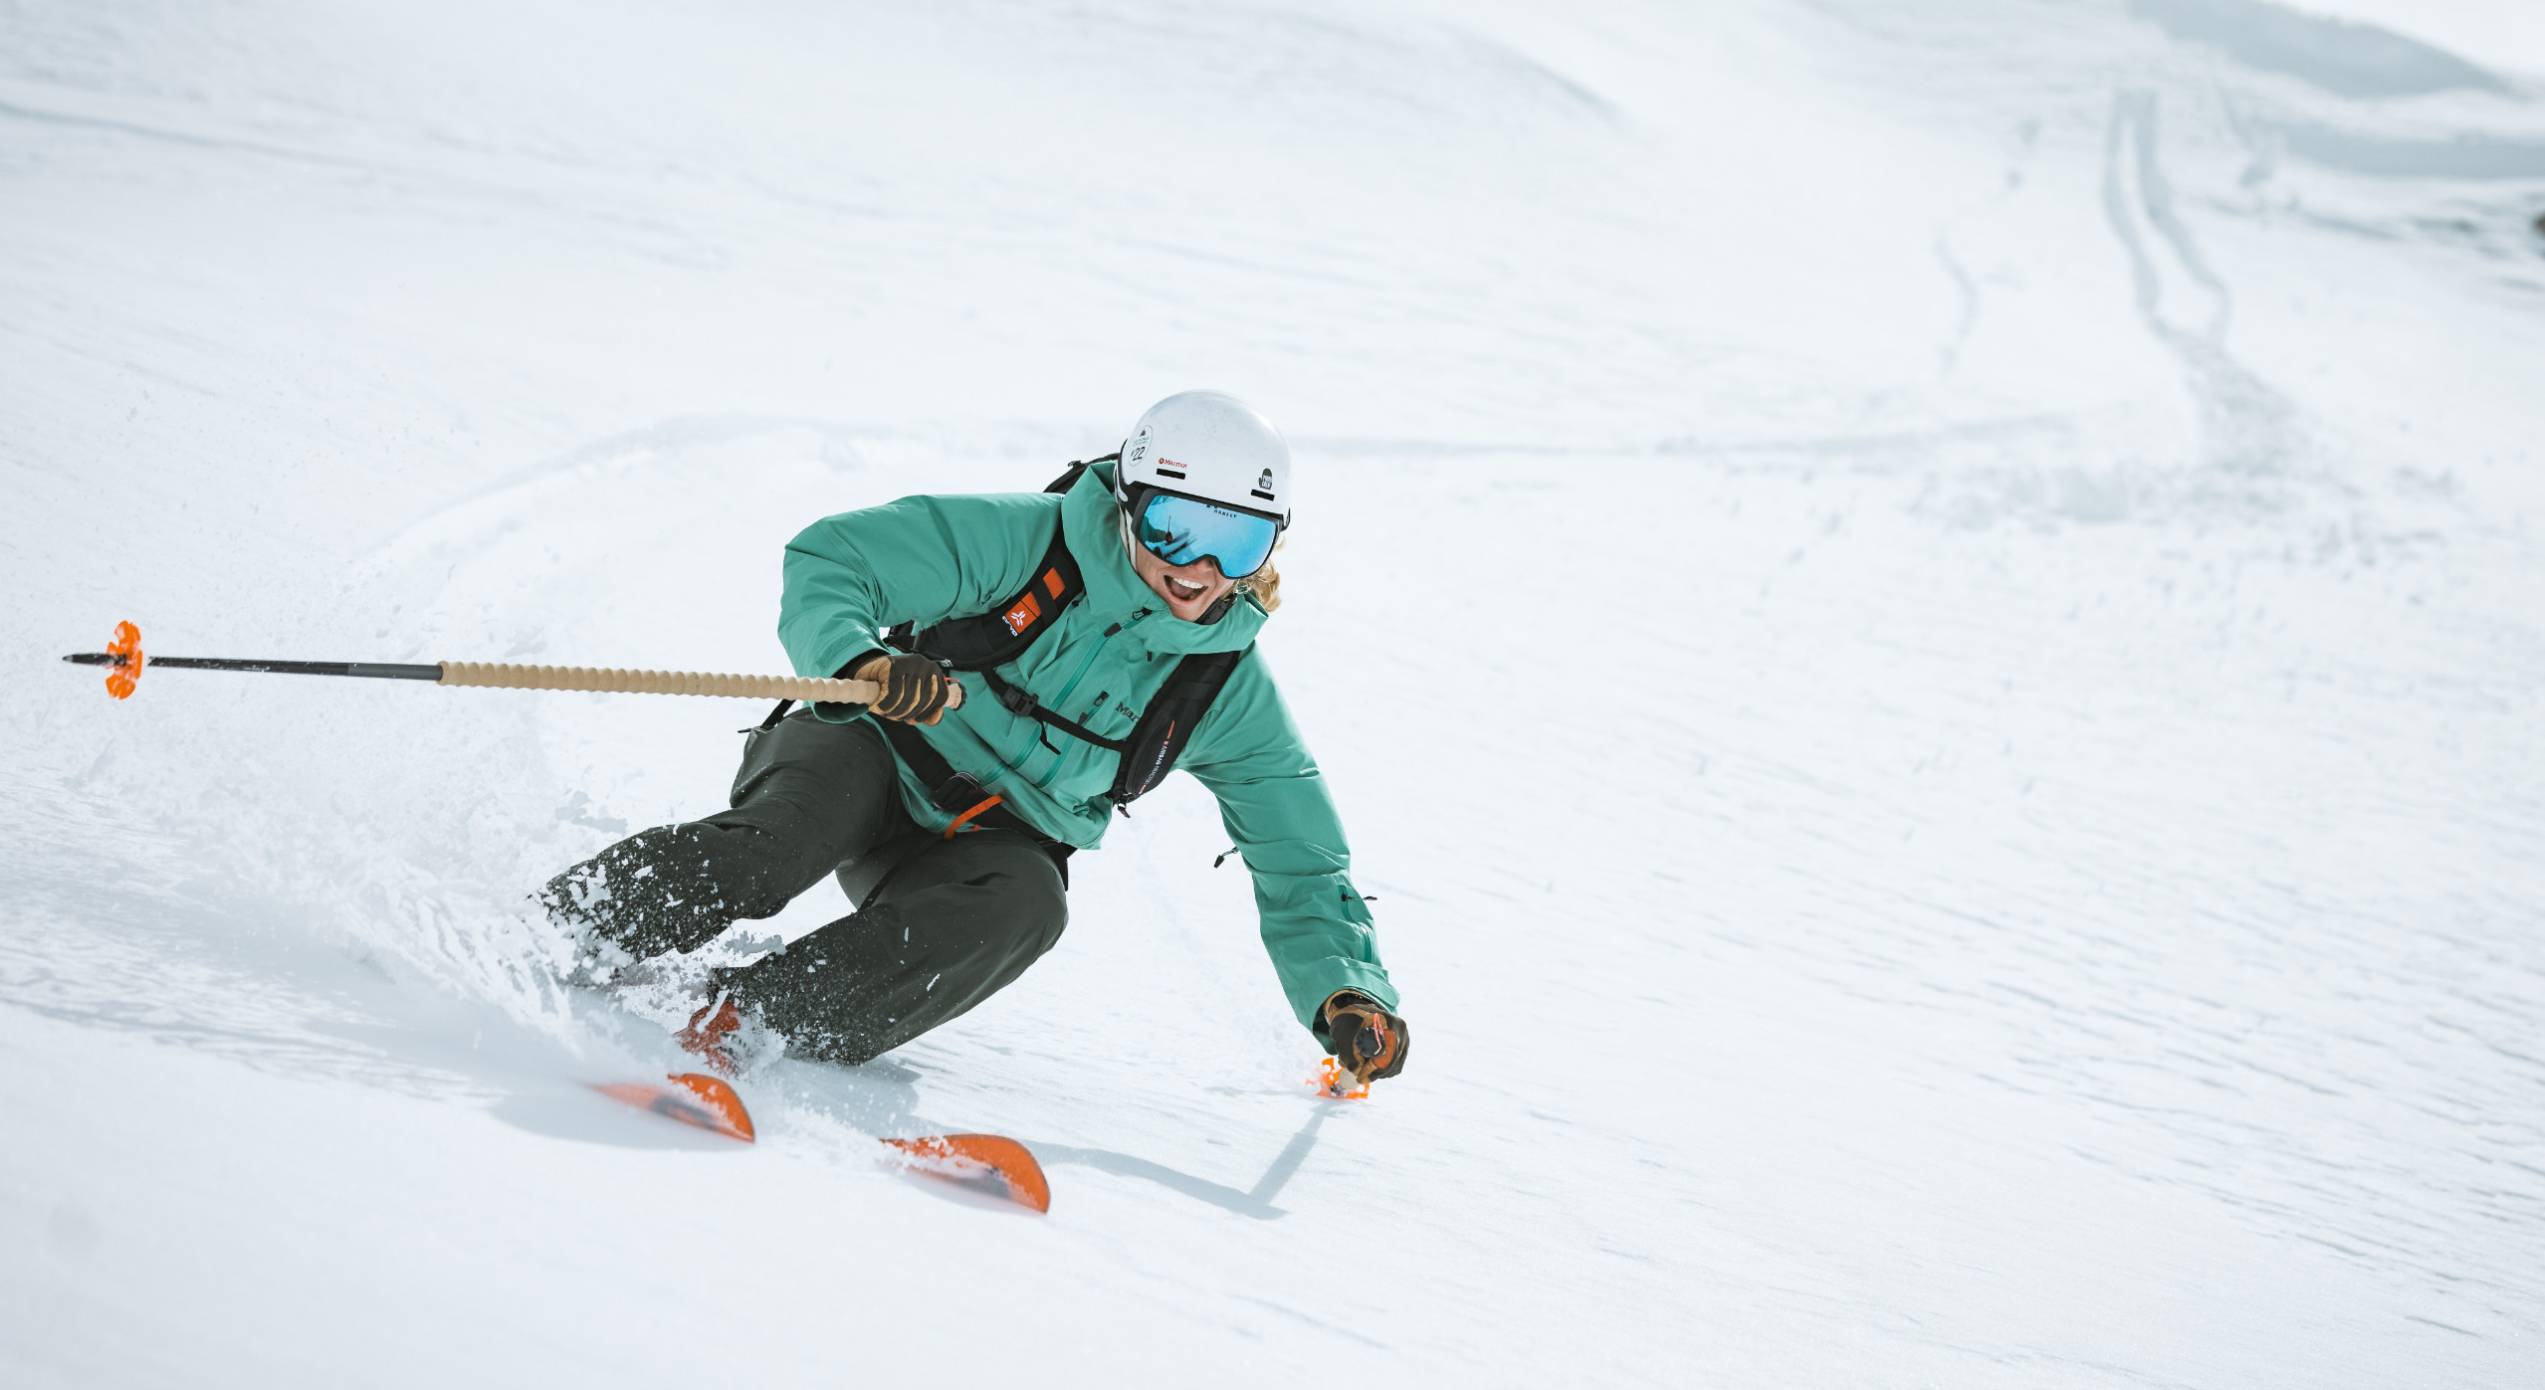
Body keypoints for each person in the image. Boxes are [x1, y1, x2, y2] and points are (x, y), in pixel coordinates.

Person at [540, 391, 1408, 1088]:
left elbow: (1302, 860)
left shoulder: (1221, 686)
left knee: (1028, 907)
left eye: (1238, 540)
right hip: (871, 750)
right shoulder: (1027, 543)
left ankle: (751, 1021)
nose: (1201, 569)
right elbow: (834, 558)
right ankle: (565, 932)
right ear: (1127, 504)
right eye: (1175, 528)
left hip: (987, 837)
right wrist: (861, 660)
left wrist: (1347, 989)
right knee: (779, 847)